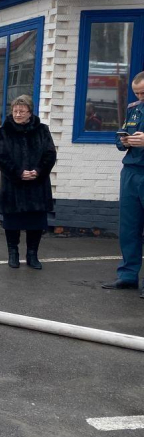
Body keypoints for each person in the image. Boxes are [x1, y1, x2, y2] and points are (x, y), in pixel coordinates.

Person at [0, 95, 57, 270]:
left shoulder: (42, 130)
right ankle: (13, 253)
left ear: (30, 112)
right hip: (13, 185)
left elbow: (50, 154)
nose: (18, 114)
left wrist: (38, 171)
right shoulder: (3, 131)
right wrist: (18, 173)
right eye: (15, 111)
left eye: (22, 111)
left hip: (37, 185)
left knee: (35, 222)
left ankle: (32, 255)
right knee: (12, 222)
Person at [102, 71, 144, 295]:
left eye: (143, 92)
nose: (140, 96)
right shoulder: (133, 108)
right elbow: (120, 136)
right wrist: (124, 140)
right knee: (128, 227)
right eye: (137, 92)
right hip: (130, 172)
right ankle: (128, 275)